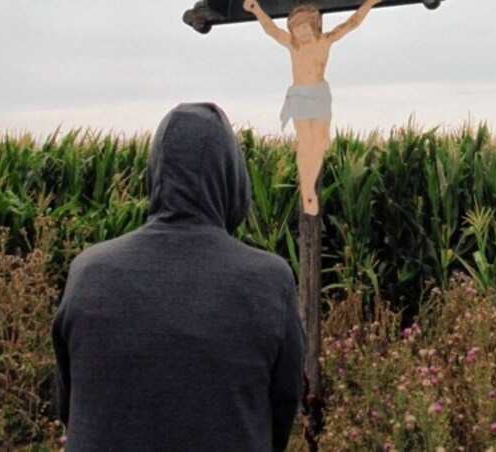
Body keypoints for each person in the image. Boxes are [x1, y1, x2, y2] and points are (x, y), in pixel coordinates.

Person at [51, 103, 305, 451]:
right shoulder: (269, 283)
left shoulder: (87, 273)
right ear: (232, 179)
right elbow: (281, 414)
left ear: (154, 174)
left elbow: (70, 407)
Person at [243, 0, 383, 216]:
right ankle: (308, 190)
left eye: (305, 28)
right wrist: (256, 10)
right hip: (300, 94)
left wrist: (369, 4)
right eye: (297, 30)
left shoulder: (324, 41)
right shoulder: (293, 45)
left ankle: (308, 186)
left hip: (318, 93)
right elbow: (271, 29)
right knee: (305, 141)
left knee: (320, 142)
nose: (302, 33)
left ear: (314, 26)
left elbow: (351, 23)